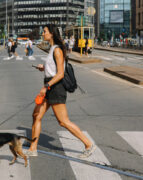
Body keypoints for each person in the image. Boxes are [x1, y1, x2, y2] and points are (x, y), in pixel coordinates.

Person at [25, 24, 95, 158]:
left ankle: (88, 144)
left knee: (63, 121)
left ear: (51, 33)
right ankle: (33, 148)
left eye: (44, 31)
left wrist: (46, 86)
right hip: (50, 85)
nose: (42, 34)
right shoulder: (52, 49)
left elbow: (60, 74)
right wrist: (44, 68)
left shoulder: (57, 50)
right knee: (36, 115)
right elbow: (54, 69)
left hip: (55, 88)